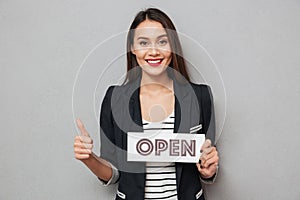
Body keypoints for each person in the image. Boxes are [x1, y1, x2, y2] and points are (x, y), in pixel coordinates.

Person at [74, 8, 219, 200]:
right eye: (143, 43)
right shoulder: (114, 99)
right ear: (133, 48)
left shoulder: (201, 96)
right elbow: (114, 173)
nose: (153, 51)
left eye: (162, 41)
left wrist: (208, 171)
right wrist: (88, 158)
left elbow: (206, 160)